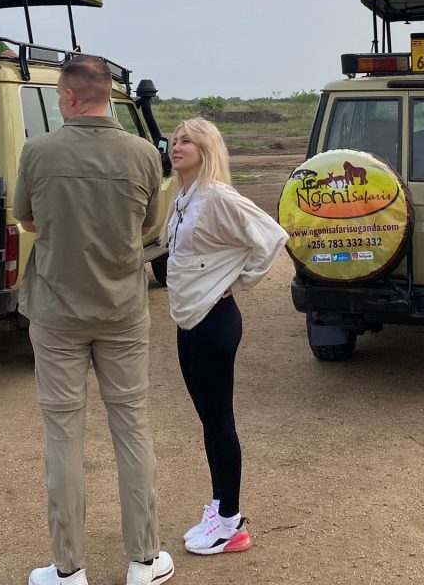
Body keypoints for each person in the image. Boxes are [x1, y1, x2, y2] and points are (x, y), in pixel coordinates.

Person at [14, 54, 173, 585]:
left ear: (69, 97)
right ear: (107, 94)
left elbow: (27, 217)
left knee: (62, 435)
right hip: (122, 311)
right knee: (131, 427)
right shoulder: (144, 153)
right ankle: (145, 560)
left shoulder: (37, 151)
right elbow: (148, 224)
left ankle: (68, 569)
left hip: (56, 312)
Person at [165, 117, 288, 556]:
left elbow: (272, 238)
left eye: (187, 142)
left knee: (219, 422)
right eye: (174, 140)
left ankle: (232, 524)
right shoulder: (184, 196)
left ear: (207, 149)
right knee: (209, 421)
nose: (176, 146)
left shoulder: (217, 196)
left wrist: (238, 280)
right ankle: (220, 507)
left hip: (215, 320)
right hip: (190, 319)